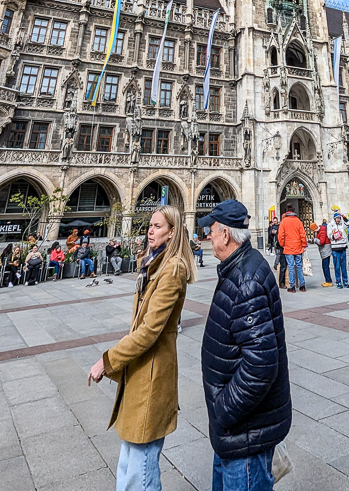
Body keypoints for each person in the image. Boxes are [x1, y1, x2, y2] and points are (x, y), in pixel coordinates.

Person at [88, 205, 195, 491]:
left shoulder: (172, 270)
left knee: (140, 472)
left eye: (158, 226)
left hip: (152, 373)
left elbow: (148, 331)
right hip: (140, 372)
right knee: (129, 464)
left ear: (173, 233)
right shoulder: (152, 265)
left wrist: (107, 361)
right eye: (150, 224)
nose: (150, 230)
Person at [199, 200, 291, 491]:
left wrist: (224, 410)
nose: (208, 237)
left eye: (211, 230)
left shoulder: (246, 278)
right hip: (234, 430)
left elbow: (261, 364)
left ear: (226, 235)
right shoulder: (237, 269)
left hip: (244, 429)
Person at [277, 204, 307, 292]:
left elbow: (280, 236)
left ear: (286, 212)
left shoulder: (284, 222)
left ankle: (292, 286)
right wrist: (304, 245)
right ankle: (302, 286)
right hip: (298, 247)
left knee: (290, 267)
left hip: (288, 247)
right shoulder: (298, 221)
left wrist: (283, 245)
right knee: (299, 266)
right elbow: (303, 234)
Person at [329, 211, 349, 288]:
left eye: (339, 218)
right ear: (334, 218)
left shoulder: (342, 224)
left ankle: (345, 281)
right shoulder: (330, 225)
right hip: (335, 248)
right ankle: (338, 281)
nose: (338, 219)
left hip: (343, 247)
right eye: (337, 218)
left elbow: (348, 223)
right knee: (337, 266)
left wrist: (343, 215)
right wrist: (335, 236)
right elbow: (329, 235)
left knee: (343, 267)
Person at [313, 219, 333, 286]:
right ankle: (327, 280)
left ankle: (328, 281)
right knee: (324, 266)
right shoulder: (321, 230)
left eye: (313, 230)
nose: (314, 232)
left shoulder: (322, 231)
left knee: (325, 266)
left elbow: (321, 242)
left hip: (326, 250)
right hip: (324, 250)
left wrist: (315, 240)